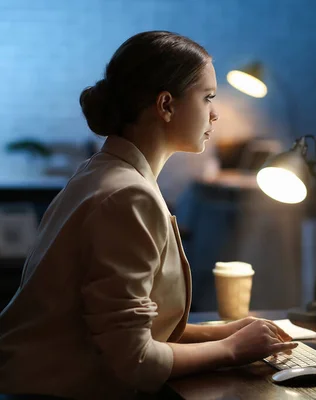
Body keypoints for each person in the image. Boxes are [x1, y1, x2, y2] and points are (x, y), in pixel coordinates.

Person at [0, 31, 297, 399]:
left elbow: (136, 329)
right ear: (166, 105)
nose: (216, 113)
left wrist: (228, 330)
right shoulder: (128, 196)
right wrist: (233, 349)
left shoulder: (101, 172)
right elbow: (136, 359)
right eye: (207, 98)